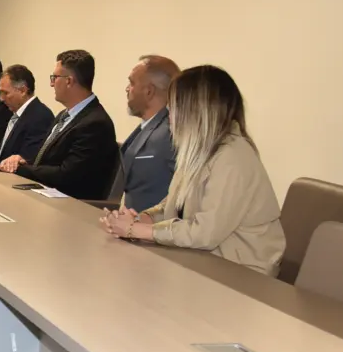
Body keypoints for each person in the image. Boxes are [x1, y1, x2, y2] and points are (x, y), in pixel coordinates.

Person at [101, 65, 286, 276]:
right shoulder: (201, 150)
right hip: (207, 261)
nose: (169, 115)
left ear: (196, 111)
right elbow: (172, 204)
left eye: (174, 107)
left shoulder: (233, 156)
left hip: (242, 273)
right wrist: (142, 219)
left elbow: (205, 233)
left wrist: (138, 230)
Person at [0, 49, 118, 200]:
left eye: (54, 78)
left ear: (69, 81)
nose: (51, 84)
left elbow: (67, 174)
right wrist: (21, 160)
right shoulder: (63, 116)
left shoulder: (95, 123)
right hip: (44, 195)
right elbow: (46, 160)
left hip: (69, 204)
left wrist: (20, 169)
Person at [120, 54, 180, 211]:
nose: (127, 89)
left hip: (153, 223)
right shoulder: (148, 127)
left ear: (149, 91)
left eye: (132, 83)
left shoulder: (171, 133)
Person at [0, 64, 54, 165]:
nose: (1, 98)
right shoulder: (15, 112)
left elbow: (27, 160)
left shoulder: (40, 117)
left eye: (5, 93)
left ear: (23, 91)